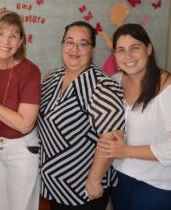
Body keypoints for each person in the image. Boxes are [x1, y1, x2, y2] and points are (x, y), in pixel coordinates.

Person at [37, 21, 126, 210]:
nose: (74, 49)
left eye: (83, 43)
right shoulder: (53, 77)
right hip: (56, 182)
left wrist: (94, 180)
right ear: (62, 45)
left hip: (84, 186)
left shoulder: (103, 86)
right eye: (69, 42)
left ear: (92, 49)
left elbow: (111, 139)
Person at [97, 23, 171, 210]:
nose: (128, 56)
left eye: (135, 48)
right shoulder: (115, 81)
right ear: (115, 55)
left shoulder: (170, 88)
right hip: (120, 179)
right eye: (121, 50)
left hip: (158, 186)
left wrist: (126, 151)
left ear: (148, 49)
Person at [0, 10, 41, 210]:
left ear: (20, 42)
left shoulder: (29, 71)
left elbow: (24, 124)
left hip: (21, 148)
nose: (6, 41)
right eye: (0, 33)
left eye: (13, 35)